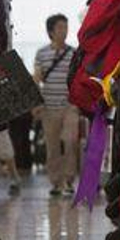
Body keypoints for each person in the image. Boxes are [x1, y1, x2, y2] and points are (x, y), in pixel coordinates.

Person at [33, 14, 78, 197]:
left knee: (70, 141)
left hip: (70, 106)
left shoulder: (74, 53)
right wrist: (35, 103)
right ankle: (56, 182)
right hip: (48, 107)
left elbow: (77, 79)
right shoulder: (42, 53)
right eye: (60, 27)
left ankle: (68, 180)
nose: (64, 31)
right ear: (51, 31)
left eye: (66, 27)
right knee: (52, 146)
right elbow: (37, 78)